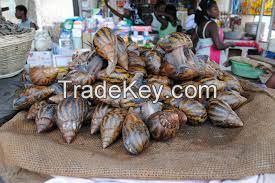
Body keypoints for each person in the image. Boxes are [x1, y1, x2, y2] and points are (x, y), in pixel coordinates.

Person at [192, 0, 234, 65]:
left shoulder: (198, 26)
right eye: (215, 9)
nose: (218, 11)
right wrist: (230, 44)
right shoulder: (212, 24)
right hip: (211, 59)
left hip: (200, 57)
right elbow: (219, 46)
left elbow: (192, 43)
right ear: (208, 11)